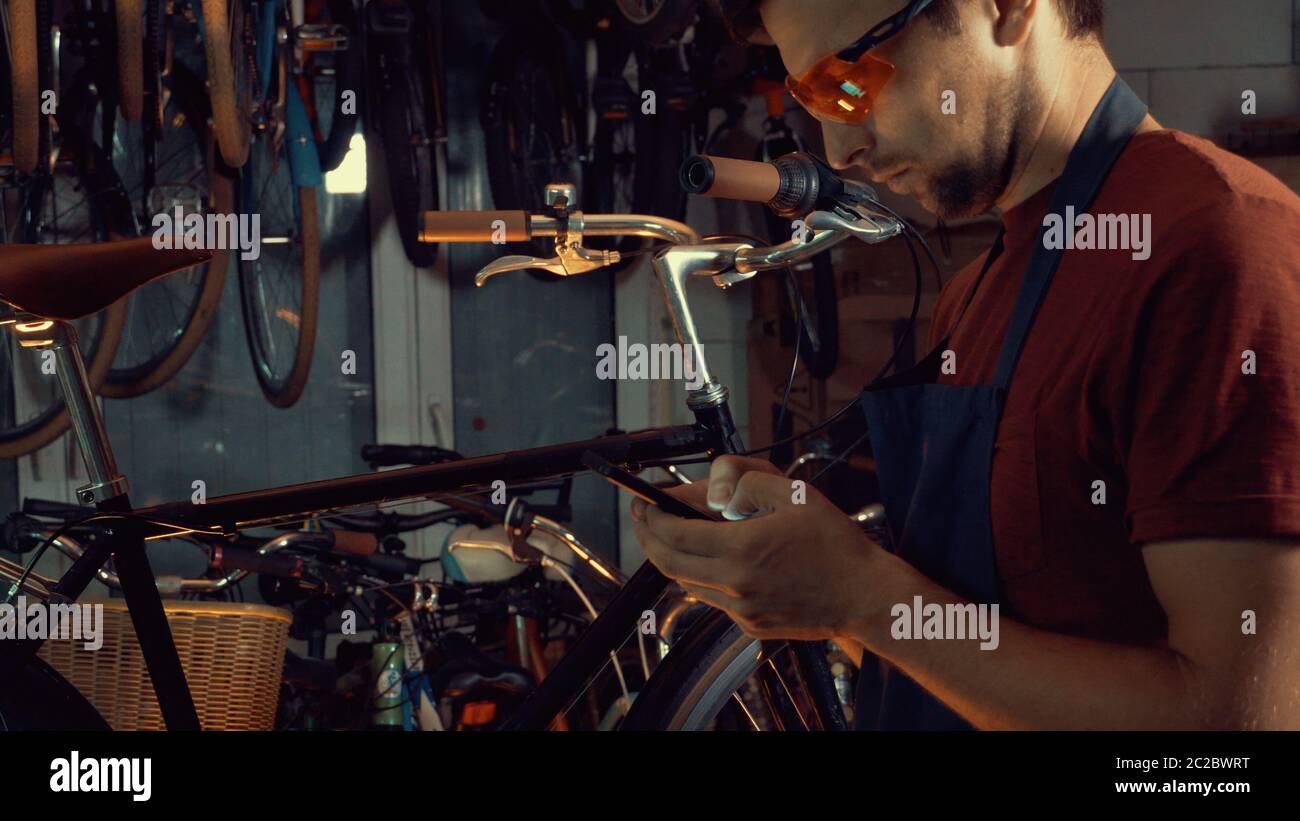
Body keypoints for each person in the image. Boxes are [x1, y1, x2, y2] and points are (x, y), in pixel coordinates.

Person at [631, 0, 1300, 729]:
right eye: (811, 99)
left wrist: (864, 596)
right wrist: (809, 583)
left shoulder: (1217, 244)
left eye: (849, 79)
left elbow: (1231, 737)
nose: (837, 148)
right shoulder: (971, 301)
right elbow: (956, 662)